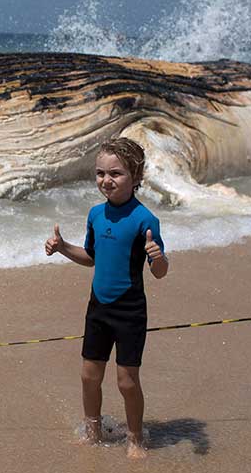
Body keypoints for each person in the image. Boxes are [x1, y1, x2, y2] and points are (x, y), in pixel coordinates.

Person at [44, 137, 170, 460]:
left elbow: (159, 272)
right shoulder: (96, 215)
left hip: (130, 311)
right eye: (100, 173)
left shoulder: (145, 220)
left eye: (115, 173)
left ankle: (135, 439)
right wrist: (62, 247)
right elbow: (91, 257)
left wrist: (158, 258)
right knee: (89, 376)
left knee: (127, 382)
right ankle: (93, 432)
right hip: (98, 308)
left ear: (136, 176)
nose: (106, 180)